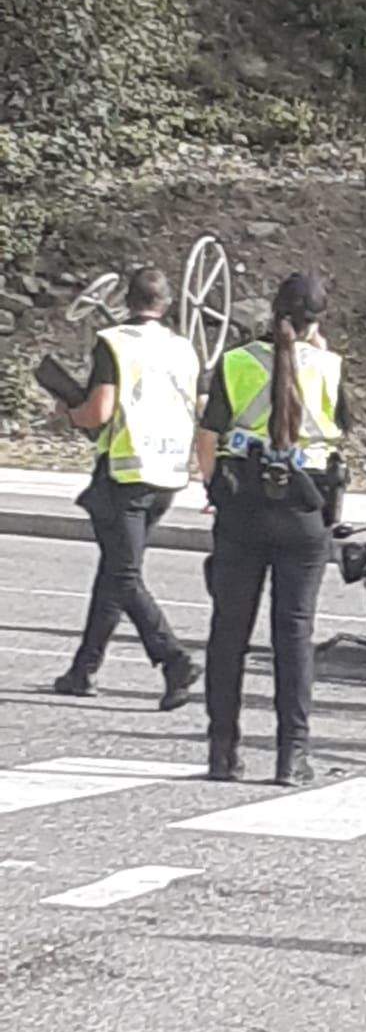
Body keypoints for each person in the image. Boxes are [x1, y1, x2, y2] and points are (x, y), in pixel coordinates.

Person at [196, 273, 349, 785]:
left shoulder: (237, 361)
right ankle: (291, 757)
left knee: (229, 631)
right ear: (317, 321)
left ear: (271, 311)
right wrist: (317, 352)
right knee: (295, 634)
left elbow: (209, 434)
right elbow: (341, 427)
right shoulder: (327, 366)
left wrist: (215, 490)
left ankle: (223, 751)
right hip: (304, 509)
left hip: (244, 505)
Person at [53, 267, 201, 709]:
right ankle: (83, 669)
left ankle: (172, 658)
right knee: (116, 570)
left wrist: (68, 412)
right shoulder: (184, 349)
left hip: (126, 472)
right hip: (169, 471)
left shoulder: (113, 342)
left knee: (123, 573)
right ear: (166, 303)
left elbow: (99, 411)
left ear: (127, 300)